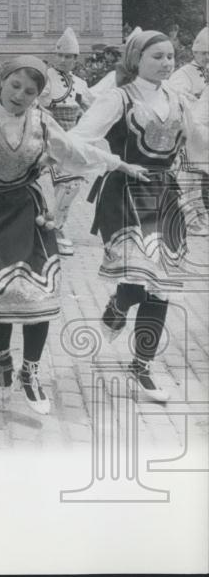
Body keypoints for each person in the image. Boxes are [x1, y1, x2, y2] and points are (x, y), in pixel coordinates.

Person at [0, 56, 148, 415]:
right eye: (15, 85)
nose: (21, 94)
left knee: (42, 290)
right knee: (0, 290)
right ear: (2, 81)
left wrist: (118, 163)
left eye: (31, 91)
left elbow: (74, 150)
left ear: (38, 96)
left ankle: (30, 371)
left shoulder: (41, 121)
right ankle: (2, 357)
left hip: (30, 213)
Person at [72, 30, 209, 402]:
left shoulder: (179, 100)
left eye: (170, 57)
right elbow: (80, 139)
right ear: (136, 59)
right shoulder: (119, 98)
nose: (166, 63)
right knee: (144, 273)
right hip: (123, 195)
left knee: (160, 284)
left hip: (165, 196)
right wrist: (115, 162)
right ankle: (120, 307)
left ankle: (140, 363)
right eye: (157, 57)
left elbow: (198, 145)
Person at [39, 27, 97, 256]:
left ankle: (56, 228)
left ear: (76, 58)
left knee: (71, 185)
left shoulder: (80, 84)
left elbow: (91, 109)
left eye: (69, 56)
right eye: (60, 55)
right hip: (47, 136)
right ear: (55, 56)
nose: (64, 60)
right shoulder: (44, 78)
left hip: (72, 138)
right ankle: (50, 229)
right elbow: (35, 105)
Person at [166, 26, 209, 236]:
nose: (207, 57)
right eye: (204, 53)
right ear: (194, 52)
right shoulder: (183, 73)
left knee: (200, 177)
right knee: (188, 177)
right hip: (190, 133)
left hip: (205, 135)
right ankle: (190, 219)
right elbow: (176, 96)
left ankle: (201, 215)